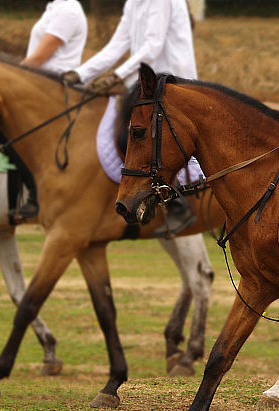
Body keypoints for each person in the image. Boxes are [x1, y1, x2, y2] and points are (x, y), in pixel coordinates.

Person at [62, 0, 199, 238]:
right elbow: (116, 46)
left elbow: (152, 47)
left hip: (172, 84)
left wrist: (115, 75)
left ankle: (178, 204)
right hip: (147, 86)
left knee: (133, 136)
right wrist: (80, 74)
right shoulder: (133, 4)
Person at [9, 0, 87, 222]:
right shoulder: (54, 8)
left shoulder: (69, 11)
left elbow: (38, 58)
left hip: (53, 89)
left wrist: (8, 75)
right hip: (38, 85)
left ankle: (35, 194)